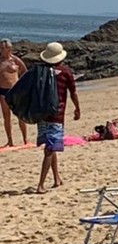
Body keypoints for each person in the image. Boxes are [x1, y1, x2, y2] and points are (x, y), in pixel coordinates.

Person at [35, 43, 80, 194]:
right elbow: (73, 92)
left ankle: (56, 179)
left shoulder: (41, 71)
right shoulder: (66, 72)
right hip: (56, 115)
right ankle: (41, 185)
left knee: (49, 146)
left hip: (42, 114)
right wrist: (77, 108)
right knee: (50, 148)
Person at [0, 39, 29, 147]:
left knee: (20, 116)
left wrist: (23, 87)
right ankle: (10, 141)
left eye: (4, 48)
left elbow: (25, 73)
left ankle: (25, 139)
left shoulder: (15, 60)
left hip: (16, 91)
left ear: (10, 48)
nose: (2, 50)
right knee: (6, 117)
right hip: (3, 91)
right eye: (1, 48)